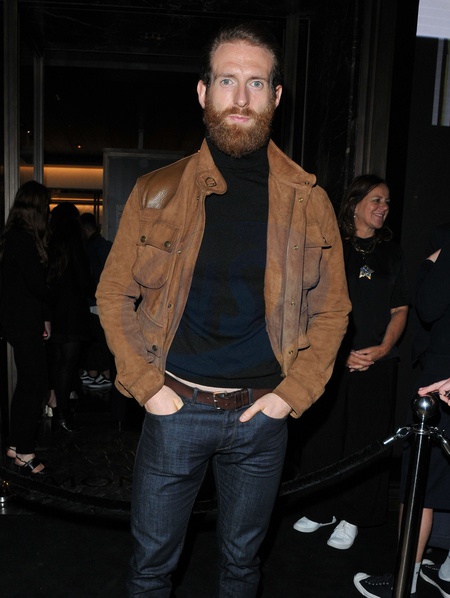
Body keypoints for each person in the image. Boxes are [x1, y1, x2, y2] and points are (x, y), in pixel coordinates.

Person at [96, 21, 351, 597]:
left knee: (242, 566)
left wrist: (290, 397)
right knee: (150, 568)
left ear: (276, 96)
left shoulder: (308, 201)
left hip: (262, 417)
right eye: (227, 80)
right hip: (174, 407)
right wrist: (148, 387)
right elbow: (113, 294)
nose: (241, 97)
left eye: (255, 83)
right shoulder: (157, 191)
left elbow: (333, 310)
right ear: (203, 91)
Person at [293, 175, 409, 550]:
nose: (383, 207)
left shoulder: (392, 253)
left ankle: (354, 516)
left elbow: (400, 309)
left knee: (366, 440)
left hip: (376, 362)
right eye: (376, 200)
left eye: (387, 202)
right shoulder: (332, 247)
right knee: (323, 437)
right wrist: (337, 351)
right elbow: (309, 303)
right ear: (355, 204)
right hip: (331, 358)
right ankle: (320, 508)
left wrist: (383, 349)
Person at [354, 231, 450, 597]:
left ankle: (404, 580)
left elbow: (428, 305)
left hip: (441, 377)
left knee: (419, 482)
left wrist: (429, 264)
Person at [0, 180, 51, 474]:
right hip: (22, 321)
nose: (48, 211)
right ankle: (25, 452)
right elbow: (36, 285)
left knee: (27, 384)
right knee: (36, 384)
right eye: (45, 206)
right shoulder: (22, 238)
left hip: (20, 320)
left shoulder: (15, 235)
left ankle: (16, 444)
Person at [46, 202, 91, 433]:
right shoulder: (75, 244)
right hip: (73, 312)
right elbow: (85, 280)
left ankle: (58, 412)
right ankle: (62, 415)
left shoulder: (50, 244)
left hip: (54, 311)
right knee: (68, 365)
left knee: (57, 364)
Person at [79, 212, 113, 391]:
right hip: (105, 299)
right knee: (102, 339)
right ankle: (102, 373)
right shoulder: (105, 246)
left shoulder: (87, 249)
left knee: (95, 339)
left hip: (93, 300)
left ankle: (97, 373)